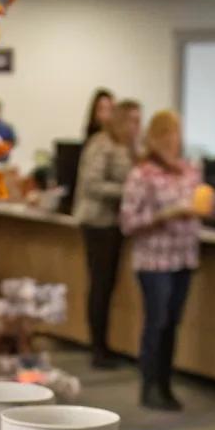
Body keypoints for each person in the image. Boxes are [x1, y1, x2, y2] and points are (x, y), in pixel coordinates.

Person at [121, 110, 202, 411]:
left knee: (172, 324)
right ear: (154, 139)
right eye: (166, 135)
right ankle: (149, 386)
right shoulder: (141, 174)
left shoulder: (188, 170)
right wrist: (163, 215)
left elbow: (204, 202)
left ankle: (166, 384)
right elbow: (127, 222)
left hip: (184, 257)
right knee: (157, 322)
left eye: (176, 134)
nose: (172, 141)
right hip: (153, 261)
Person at [74, 98, 142, 368]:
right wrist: (129, 192)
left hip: (116, 224)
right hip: (97, 222)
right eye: (134, 120)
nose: (138, 126)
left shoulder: (129, 148)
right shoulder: (101, 144)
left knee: (109, 285)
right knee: (100, 285)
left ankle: (105, 344)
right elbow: (92, 185)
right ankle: (98, 347)